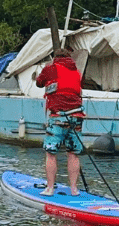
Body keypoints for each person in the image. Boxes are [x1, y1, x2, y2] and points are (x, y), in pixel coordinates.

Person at [35, 46, 85, 196]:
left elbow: (39, 82)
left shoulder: (52, 68)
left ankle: (50, 188)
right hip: (76, 116)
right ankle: (74, 189)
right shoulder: (76, 72)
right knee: (73, 153)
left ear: (55, 58)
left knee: (51, 152)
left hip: (59, 116)